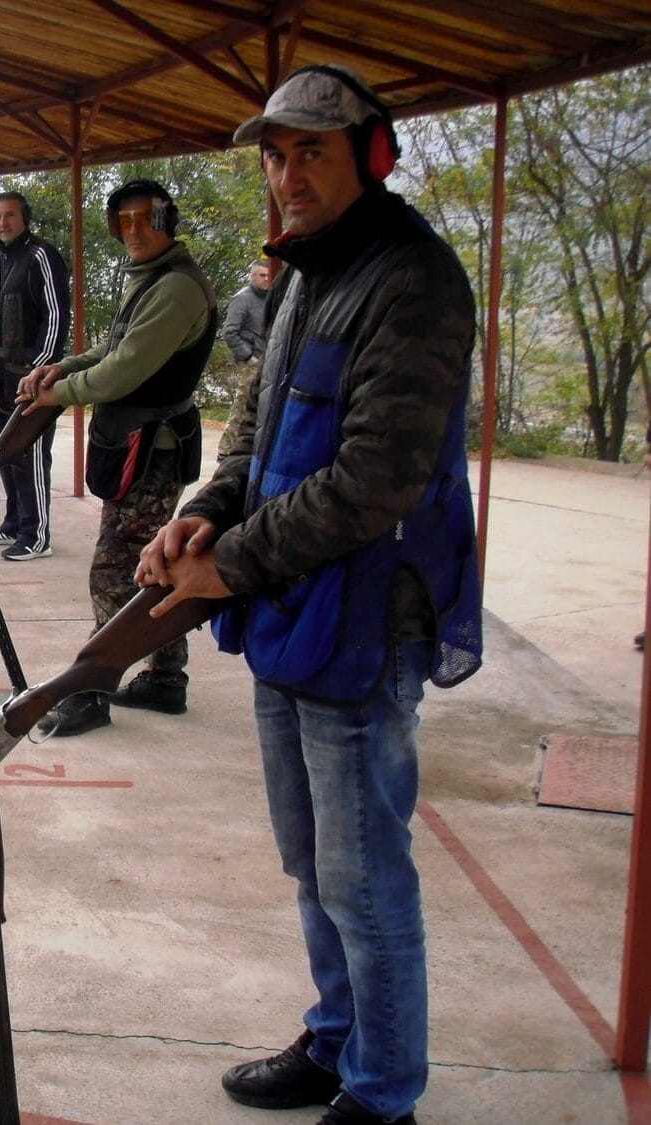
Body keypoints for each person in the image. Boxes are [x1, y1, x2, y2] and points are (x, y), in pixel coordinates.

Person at [137, 65, 483, 1125]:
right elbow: (258, 424)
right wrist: (208, 506)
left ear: (371, 157)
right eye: (277, 156)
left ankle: (383, 1094)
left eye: (312, 153)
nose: (288, 176)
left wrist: (229, 565)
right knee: (312, 861)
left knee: (366, 877)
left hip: (367, 619)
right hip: (295, 603)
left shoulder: (414, 282)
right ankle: (336, 1042)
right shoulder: (303, 275)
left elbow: (375, 479)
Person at [16, 179, 215, 733]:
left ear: (166, 220)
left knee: (114, 569)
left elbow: (125, 370)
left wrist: (58, 392)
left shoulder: (176, 288)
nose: (132, 230)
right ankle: (165, 677)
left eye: (143, 218)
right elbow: (112, 350)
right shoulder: (152, 281)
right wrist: (62, 368)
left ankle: (92, 690)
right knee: (156, 562)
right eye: (121, 221)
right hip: (140, 443)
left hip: (152, 446)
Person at [0, 190, 70, 562]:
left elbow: (57, 316)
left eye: (9, 215)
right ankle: (14, 523)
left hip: (33, 379)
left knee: (31, 455)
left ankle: (37, 534)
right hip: (1, 376)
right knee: (8, 453)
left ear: (24, 217)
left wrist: (40, 368)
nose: (3, 222)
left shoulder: (42, 256)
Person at [218, 259, 272, 457]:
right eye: (262, 275)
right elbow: (230, 332)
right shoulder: (243, 298)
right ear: (252, 276)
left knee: (263, 408)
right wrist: (249, 357)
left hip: (269, 361)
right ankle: (225, 451)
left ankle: (251, 451)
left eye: (268, 275)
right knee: (242, 409)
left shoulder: (272, 297)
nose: (266, 279)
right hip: (251, 364)